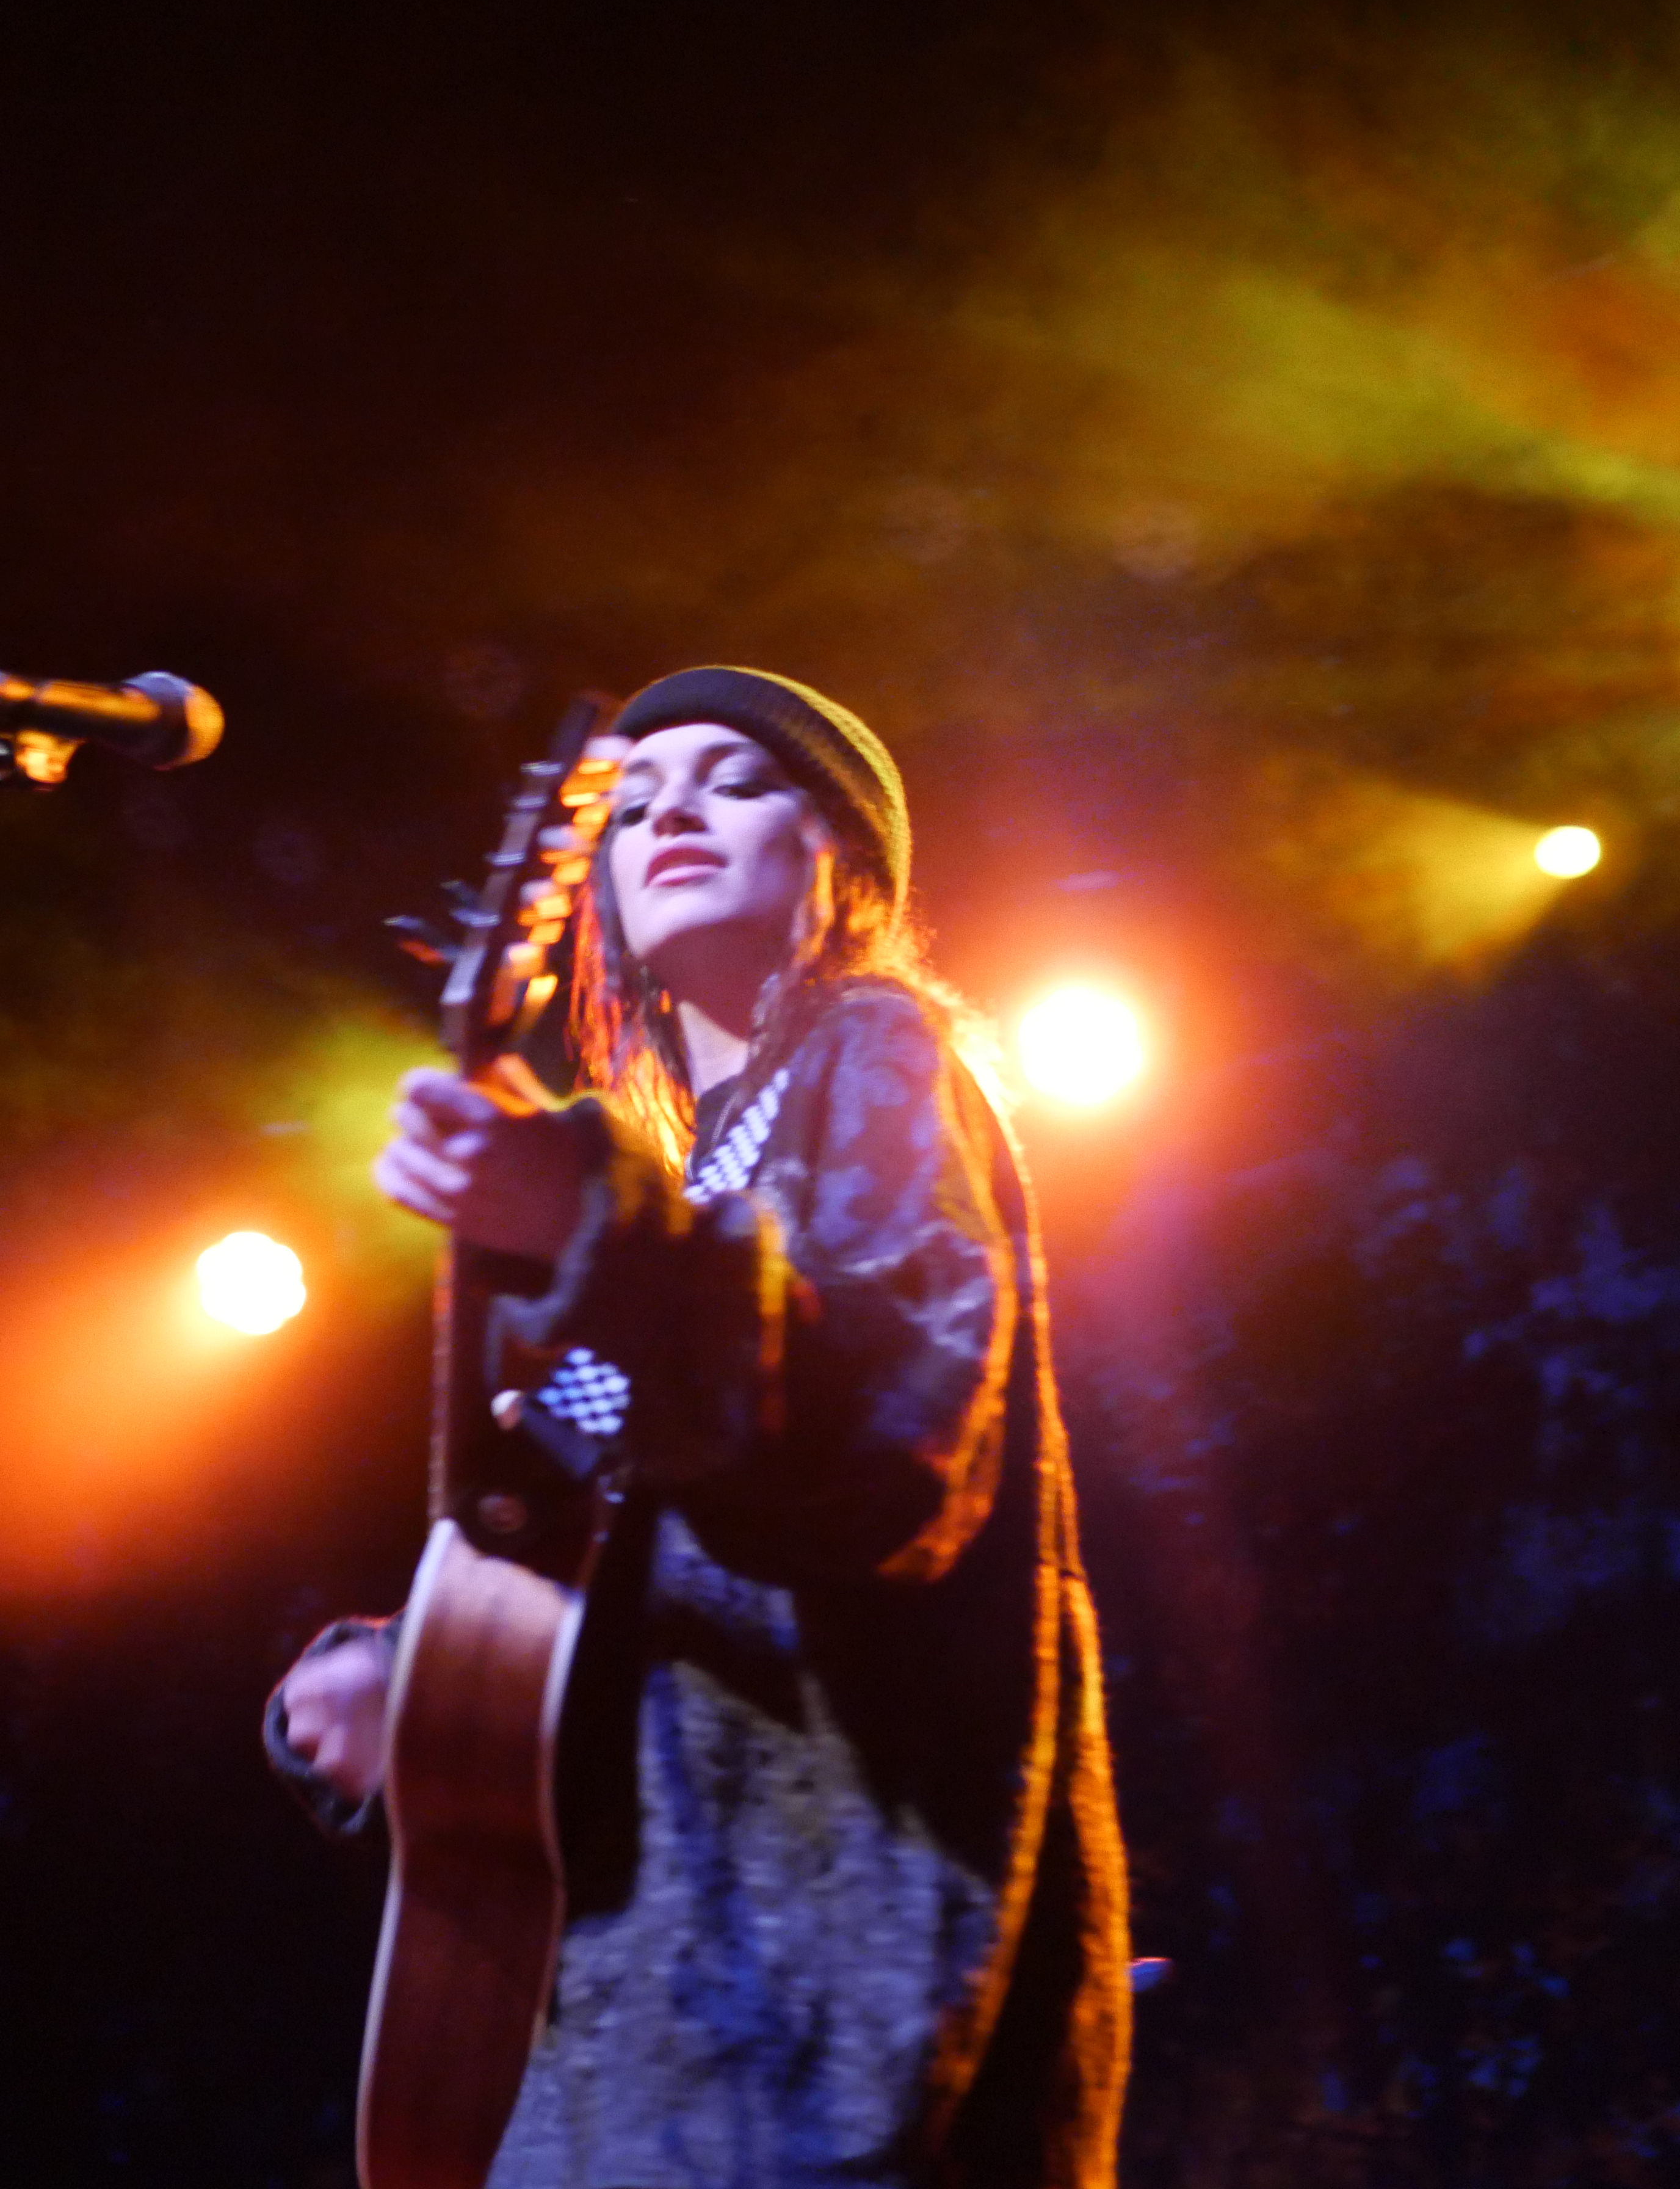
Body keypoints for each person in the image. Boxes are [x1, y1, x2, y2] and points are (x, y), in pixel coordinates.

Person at [272, 666, 1131, 2187]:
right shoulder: (696, 1180)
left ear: (841, 861)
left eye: (736, 782)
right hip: (655, 1998)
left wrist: (593, 1227)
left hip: (824, 1991)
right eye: (636, 803)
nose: (672, 812)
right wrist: (411, 1689)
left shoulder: (877, 1049)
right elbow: (600, 1585)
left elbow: (892, 1451)